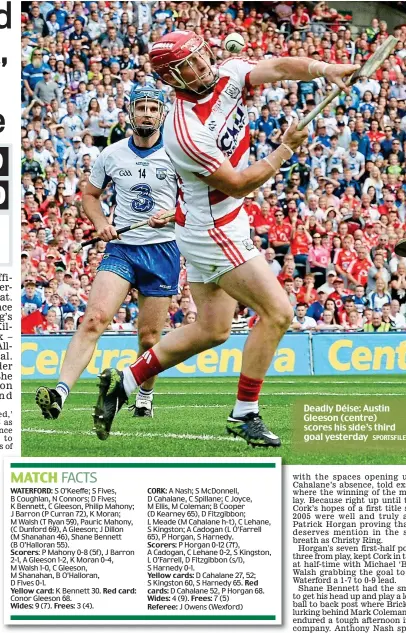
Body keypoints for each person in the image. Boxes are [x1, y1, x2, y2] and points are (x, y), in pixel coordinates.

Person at [92, 30, 359, 447]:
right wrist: (286, 149)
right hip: (214, 228)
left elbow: (277, 67)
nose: (201, 69)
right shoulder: (183, 131)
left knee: (213, 330)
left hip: (205, 223)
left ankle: (125, 382)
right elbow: (236, 184)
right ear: (172, 81)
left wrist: (326, 70)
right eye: (188, 68)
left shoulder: (228, 73)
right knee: (279, 313)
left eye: (200, 58)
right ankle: (244, 413)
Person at [35, 86, 179, 428]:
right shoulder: (111, 154)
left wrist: (172, 215)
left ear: (162, 114)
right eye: (140, 107)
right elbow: (90, 194)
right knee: (95, 319)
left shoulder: (176, 153)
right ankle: (59, 393)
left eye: (152, 108)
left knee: (148, 338)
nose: (146, 113)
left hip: (163, 249)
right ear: (130, 113)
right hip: (122, 249)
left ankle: (144, 396)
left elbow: (195, 200)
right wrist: (100, 222)